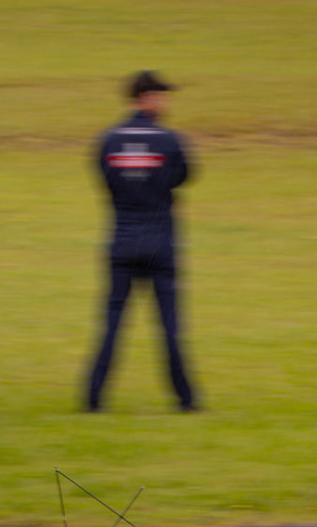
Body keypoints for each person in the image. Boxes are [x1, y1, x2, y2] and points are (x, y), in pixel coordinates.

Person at [83, 71, 197, 413]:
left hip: (121, 240)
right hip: (161, 242)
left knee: (113, 323)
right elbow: (184, 176)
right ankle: (185, 400)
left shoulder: (107, 140)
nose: (166, 102)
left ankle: (93, 397)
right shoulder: (171, 140)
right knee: (169, 328)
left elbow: (105, 179)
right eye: (162, 96)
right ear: (146, 97)